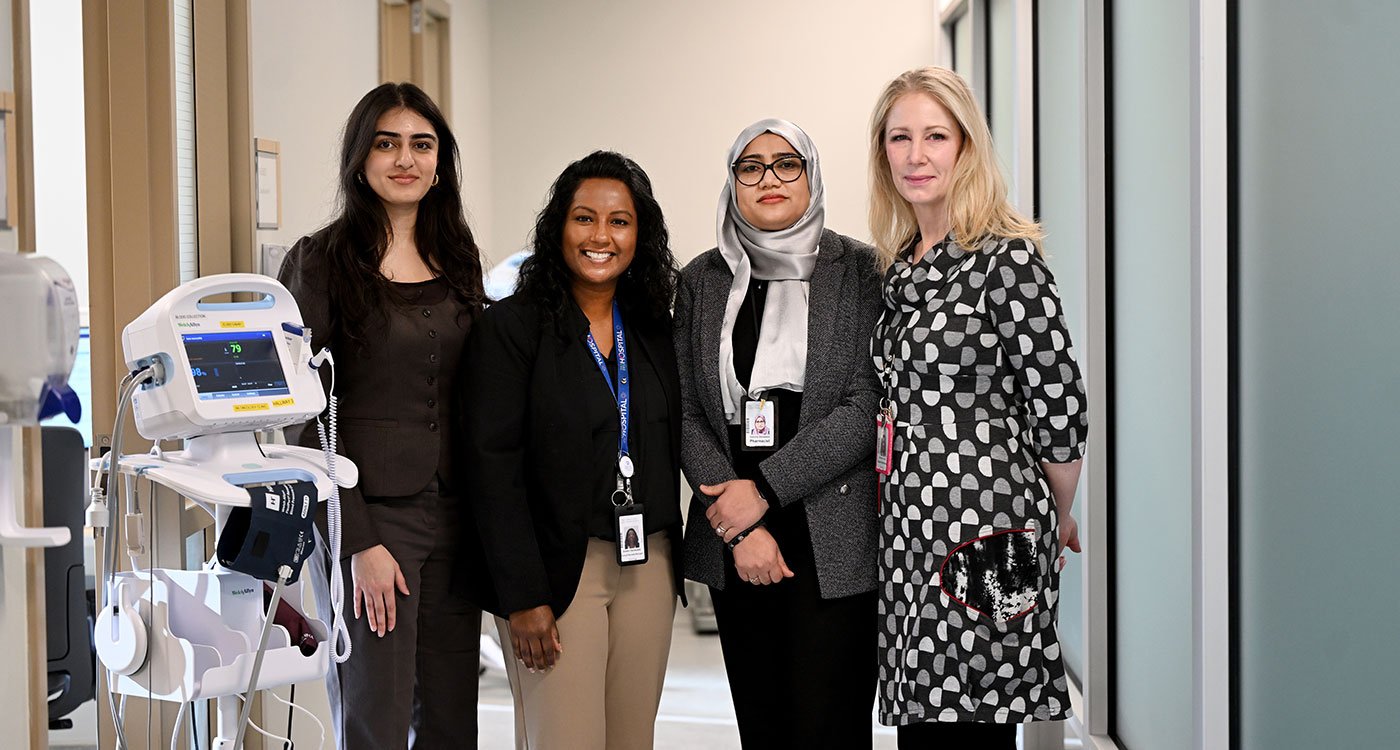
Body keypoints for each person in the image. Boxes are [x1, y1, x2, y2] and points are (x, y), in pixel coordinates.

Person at [866, 66, 1088, 748]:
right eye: (899, 138)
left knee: (974, 727)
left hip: (986, 527)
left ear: (966, 147)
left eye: (935, 136)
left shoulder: (1006, 258)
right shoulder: (901, 262)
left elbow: (1059, 399)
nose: (916, 154)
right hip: (908, 529)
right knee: (924, 728)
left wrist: (1055, 513)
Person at [278, 82, 486, 749]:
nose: (405, 159)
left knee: (453, 717)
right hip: (370, 519)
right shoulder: (322, 260)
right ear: (360, 158)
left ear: (439, 160)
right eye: (386, 143)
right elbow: (300, 415)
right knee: (378, 715)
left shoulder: (458, 257)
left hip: (455, 514)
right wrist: (357, 540)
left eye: (421, 145)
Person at [461, 151, 684, 750]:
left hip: (650, 563)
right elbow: (491, 470)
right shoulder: (510, 330)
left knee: (632, 740)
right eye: (584, 218)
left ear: (641, 234)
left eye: (619, 221)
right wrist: (522, 597)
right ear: (558, 227)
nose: (600, 237)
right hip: (558, 572)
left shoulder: (656, 330)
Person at [675, 118, 882, 748]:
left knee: (832, 724)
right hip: (735, 528)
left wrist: (762, 492)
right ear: (733, 182)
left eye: (787, 163)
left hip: (831, 529)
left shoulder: (860, 270)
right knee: (763, 725)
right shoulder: (701, 278)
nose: (770, 179)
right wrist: (739, 521)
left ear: (811, 175)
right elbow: (685, 411)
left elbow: (863, 404)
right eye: (751, 166)